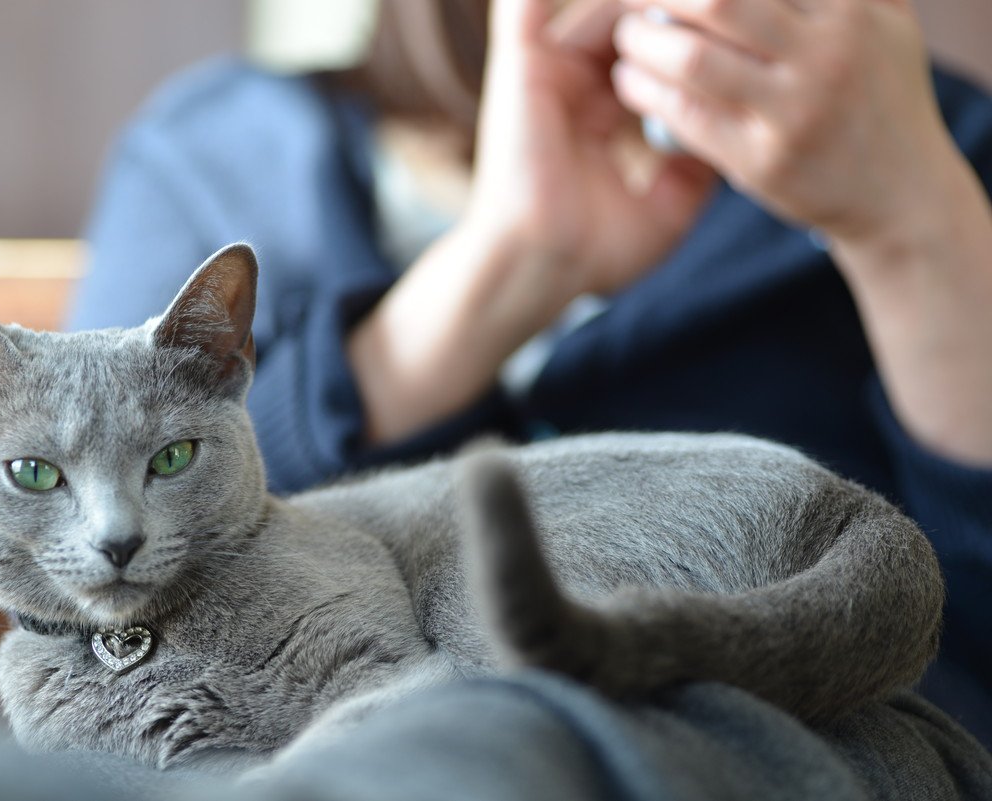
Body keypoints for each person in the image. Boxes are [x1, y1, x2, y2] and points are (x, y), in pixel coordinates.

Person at [69, 0, 992, 748]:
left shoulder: (934, 144)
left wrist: (914, 224)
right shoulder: (214, 154)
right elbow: (109, 619)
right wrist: (505, 268)